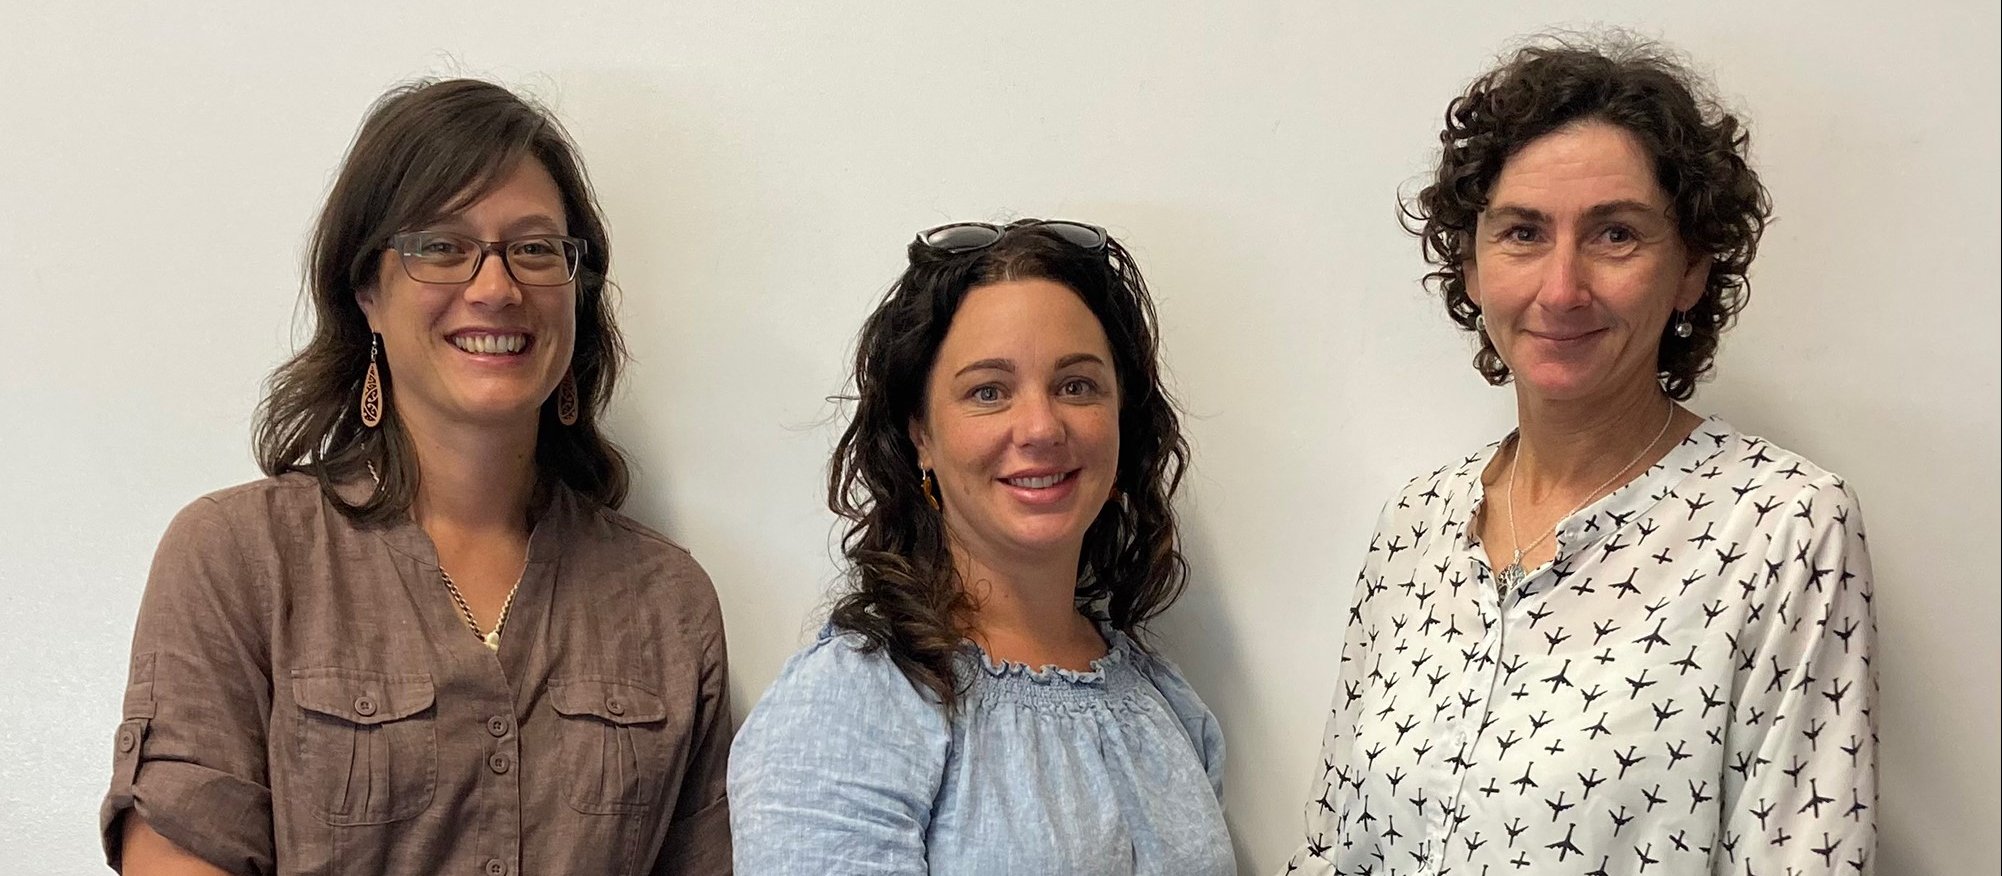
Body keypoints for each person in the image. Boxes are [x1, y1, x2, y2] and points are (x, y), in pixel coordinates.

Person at [100, 79, 732, 875]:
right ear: (367, 289)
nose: (496, 287)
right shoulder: (237, 559)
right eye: (441, 246)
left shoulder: (669, 603)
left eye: (535, 248)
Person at [1281, 38, 1876, 874]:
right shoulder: (1414, 524)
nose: (1562, 288)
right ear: (1474, 265)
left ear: (1692, 269)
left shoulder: (1779, 525)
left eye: (1615, 234)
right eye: (1523, 232)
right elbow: (1330, 848)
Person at [728, 219, 1233, 874]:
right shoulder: (853, 704)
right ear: (921, 437)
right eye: (988, 391)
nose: (1041, 426)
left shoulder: (1165, 702)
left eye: (1076, 385)